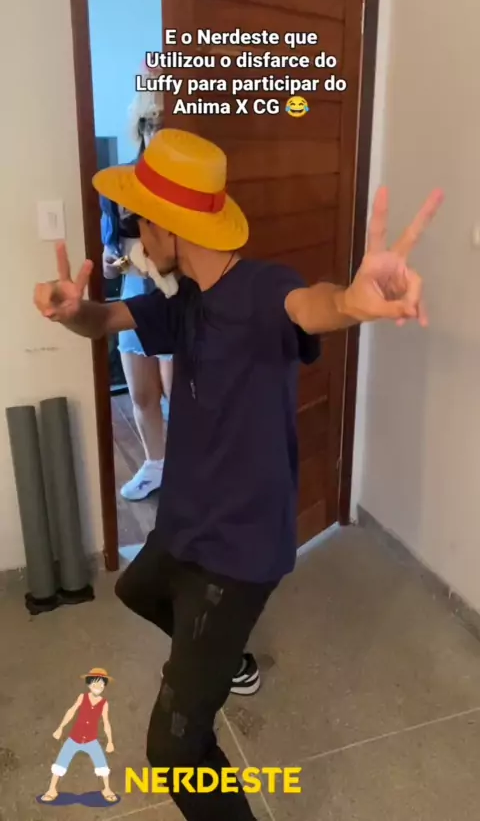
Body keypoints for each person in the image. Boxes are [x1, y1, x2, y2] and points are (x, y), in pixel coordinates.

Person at [34, 128, 443, 821]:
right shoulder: (184, 300)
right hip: (186, 521)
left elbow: (312, 303)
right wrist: (73, 313)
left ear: (170, 225)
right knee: (136, 588)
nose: (137, 234)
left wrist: (352, 301)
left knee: (174, 748)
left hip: (239, 546)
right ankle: (227, 660)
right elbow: (105, 319)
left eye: (142, 220)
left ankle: (217, 674)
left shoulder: (261, 290)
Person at [101, 67, 173, 501]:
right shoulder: (118, 183)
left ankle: (188, 471)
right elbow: (111, 263)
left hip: (177, 298)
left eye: (163, 124)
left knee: (180, 395)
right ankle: (155, 465)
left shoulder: (185, 186)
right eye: (150, 124)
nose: (155, 134)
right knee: (142, 394)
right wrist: (114, 263)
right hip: (132, 296)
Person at [41, 668, 117, 804]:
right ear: (89, 684)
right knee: (61, 762)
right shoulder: (82, 697)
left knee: (101, 764)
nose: (98, 687)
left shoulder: (104, 703)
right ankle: (52, 789)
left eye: (101, 685)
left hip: (91, 740)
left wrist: (110, 741)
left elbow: (106, 722)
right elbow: (71, 711)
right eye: (95, 684)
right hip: (74, 737)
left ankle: (107, 789)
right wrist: (60, 728)